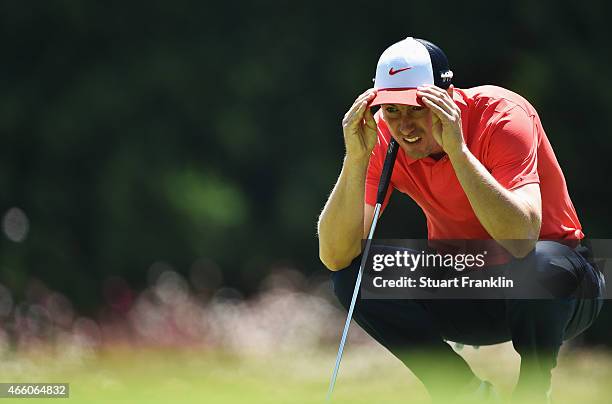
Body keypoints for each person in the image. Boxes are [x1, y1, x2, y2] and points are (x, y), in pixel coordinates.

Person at [317, 37, 604, 403]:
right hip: (468, 283)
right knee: (353, 278)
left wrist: (458, 151)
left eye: (415, 109)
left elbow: (522, 237)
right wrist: (356, 158)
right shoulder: (384, 138)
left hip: (561, 287)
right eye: (392, 110)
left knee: (542, 263)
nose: (404, 127)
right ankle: (463, 392)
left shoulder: (502, 114)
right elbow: (334, 255)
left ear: (446, 98)